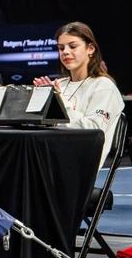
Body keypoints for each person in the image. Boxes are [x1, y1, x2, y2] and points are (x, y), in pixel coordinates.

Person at [35, 22, 124, 167]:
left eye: (73, 46)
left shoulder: (104, 86)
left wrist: (59, 102)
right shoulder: (60, 84)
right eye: (61, 48)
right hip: (50, 157)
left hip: (80, 166)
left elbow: (93, 131)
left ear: (90, 49)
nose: (65, 52)